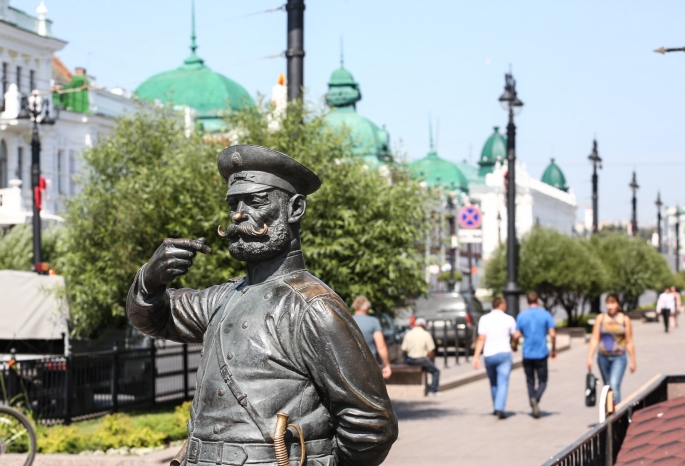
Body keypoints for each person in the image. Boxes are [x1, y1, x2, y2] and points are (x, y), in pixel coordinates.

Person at [126, 145, 397, 466]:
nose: (238, 215)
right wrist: (150, 278)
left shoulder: (312, 307)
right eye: (232, 204)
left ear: (295, 209)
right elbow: (153, 319)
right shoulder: (222, 298)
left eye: (255, 202)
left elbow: (370, 424)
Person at [512, 291, 556, 419]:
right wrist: (553, 349)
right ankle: (536, 398)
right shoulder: (545, 314)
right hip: (541, 352)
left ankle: (532, 398)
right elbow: (552, 334)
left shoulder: (521, 316)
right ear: (538, 300)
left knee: (530, 381)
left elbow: (516, 335)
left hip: (527, 353)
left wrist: (515, 345)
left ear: (526, 301)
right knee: (543, 380)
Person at [587, 293, 636, 405]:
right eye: (608, 303)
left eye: (613, 303)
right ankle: (608, 412)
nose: (610, 306)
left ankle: (617, 414)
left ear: (618, 304)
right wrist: (589, 357)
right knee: (607, 386)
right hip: (603, 357)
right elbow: (594, 339)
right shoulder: (601, 318)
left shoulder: (624, 319)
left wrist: (633, 361)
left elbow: (629, 341)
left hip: (619, 357)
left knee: (614, 384)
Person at [473, 297, 516, 419]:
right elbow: (515, 335)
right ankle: (499, 407)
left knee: (493, 382)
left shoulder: (484, 319)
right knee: (503, 382)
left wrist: (476, 356)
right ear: (502, 305)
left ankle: (496, 406)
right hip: (504, 354)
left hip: (489, 354)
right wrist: (515, 345)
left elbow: (481, 338)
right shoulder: (509, 319)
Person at [352, 296, 392, 379]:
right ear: (367, 308)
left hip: (349, 365)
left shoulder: (346, 320)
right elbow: (380, 346)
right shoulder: (373, 321)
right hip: (369, 365)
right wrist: (387, 365)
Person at [402, 318, 441, 397]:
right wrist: (431, 360)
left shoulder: (408, 333)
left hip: (410, 360)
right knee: (436, 371)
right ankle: (433, 391)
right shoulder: (425, 334)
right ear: (424, 325)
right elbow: (430, 351)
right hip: (422, 359)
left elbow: (403, 349)